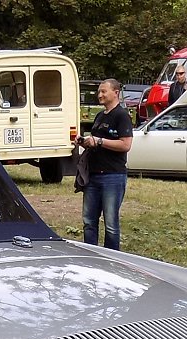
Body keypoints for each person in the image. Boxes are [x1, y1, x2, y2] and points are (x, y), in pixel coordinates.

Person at [79, 78, 134, 250]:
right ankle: (90, 255)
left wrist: (100, 141)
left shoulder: (122, 115)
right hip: (93, 177)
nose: (100, 95)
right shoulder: (100, 116)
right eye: (99, 92)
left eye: (104, 91)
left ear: (115, 93)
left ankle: (112, 259)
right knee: (88, 221)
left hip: (112, 176)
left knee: (110, 224)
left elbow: (126, 145)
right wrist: (85, 142)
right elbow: (96, 141)